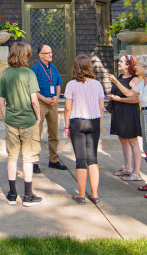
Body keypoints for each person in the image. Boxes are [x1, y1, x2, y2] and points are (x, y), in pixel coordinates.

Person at [109, 54, 147, 199]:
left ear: (146, 67)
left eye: (139, 65)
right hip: (146, 115)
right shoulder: (144, 83)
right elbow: (129, 93)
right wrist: (116, 82)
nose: (136, 67)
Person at [0, 42, 43, 207]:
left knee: (12, 157)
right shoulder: (29, 74)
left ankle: (12, 194)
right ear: (25, 55)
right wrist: (38, 118)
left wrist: (6, 116)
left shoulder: (5, 74)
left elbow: (1, 101)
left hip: (11, 121)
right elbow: (34, 100)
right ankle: (28, 195)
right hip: (28, 121)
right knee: (28, 158)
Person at [64, 55, 105, 204]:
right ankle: (95, 194)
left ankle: (81, 195)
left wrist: (66, 126)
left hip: (77, 121)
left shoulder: (71, 85)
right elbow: (101, 107)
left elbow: (68, 108)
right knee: (92, 158)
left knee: (80, 159)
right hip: (94, 121)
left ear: (75, 67)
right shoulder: (97, 84)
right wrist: (99, 124)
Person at [31, 44, 67, 173]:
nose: (50, 55)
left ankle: (54, 160)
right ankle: (34, 162)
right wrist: (44, 99)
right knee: (37, 133)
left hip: (53, 103)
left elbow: (58, 84)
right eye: (47, 53)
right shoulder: (34, 69)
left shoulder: (54, 68)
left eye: (51, 52)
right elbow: (33, 90)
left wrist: (57, 96)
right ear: (40, 55)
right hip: (40, 103)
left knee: (54, 133)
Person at [107, 54, 142, 181]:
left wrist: (119, 99)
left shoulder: (135, 80)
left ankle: (136, 172)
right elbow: (118, 92)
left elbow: (136, 99)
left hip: (129, 112)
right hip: (119, 112)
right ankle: (127, 167)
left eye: (121, 62)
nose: (119, 63)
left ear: (128, 65)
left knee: (133, 141)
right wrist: (112, 97)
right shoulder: (121, 77)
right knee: (122, 139)